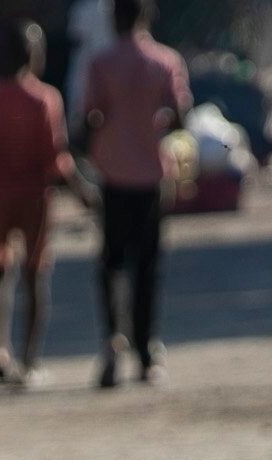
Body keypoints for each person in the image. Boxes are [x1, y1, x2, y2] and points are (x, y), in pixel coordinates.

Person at [77, 0, 185, 388]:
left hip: (113, 175)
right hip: (152, 175)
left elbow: (91, 114)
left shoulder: (101, 62)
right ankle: (146, 350)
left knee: (111, 264)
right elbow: (179, 114)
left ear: (113, 18)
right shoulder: (166, 61)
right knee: (148, 265)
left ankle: (111, 342)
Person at [0, 22, 68, 385]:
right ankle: (29, 358)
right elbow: (54, 157)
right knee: (35, 273)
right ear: (32, 56)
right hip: (33, 195)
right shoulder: (44, 99)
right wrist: (81, 187)